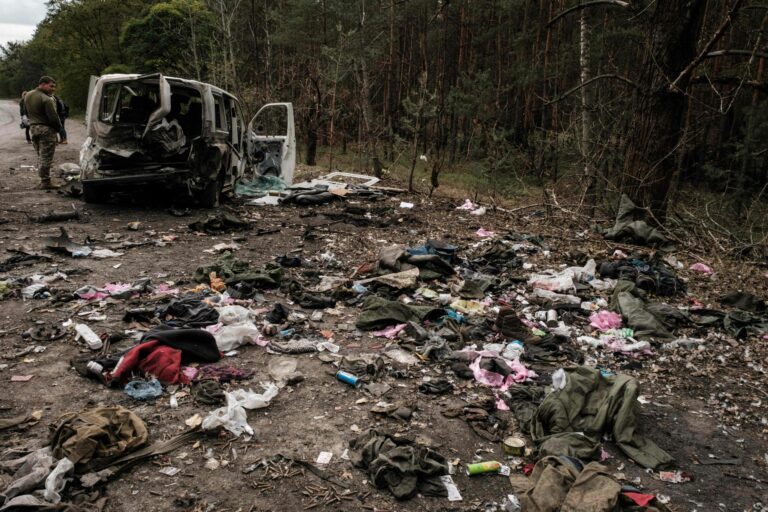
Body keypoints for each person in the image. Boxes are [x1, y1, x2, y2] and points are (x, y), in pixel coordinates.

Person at [24, 76, 62, 189]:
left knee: (40, 155)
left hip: (33, 128)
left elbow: (26, 111)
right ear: (43, 84)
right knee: (46, 157)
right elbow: (54, 118)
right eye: (51, 86)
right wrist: (58, 130)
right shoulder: (47, 99)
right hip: (46, 129)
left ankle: (43, 180)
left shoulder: (28, 95)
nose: (53, 89)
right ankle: (46, 182)